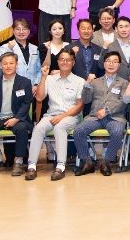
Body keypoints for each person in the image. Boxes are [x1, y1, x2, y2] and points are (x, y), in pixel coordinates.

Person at [25, 49, 84, 181]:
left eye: (68, 60)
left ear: (73, 62)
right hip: (51, 115)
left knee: (59, 127)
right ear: (57, 62)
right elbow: (39, 98)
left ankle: (60, 166)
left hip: (71, 116)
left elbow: (79, 106)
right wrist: (43, 77)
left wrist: (62, 117)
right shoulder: (49, 79)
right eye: (62, 59)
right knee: (38, 128)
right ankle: (31, 166)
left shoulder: (79, 81)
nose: (65, 62)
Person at [73, 51, 128, 176]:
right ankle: (87, 162)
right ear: (104, 64)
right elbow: (86, 100)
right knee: (78, 131)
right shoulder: (95, 81)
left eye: (115, 61)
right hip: (95, 117)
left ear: (119, 65)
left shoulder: (124, 83)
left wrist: (107, 110)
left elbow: (123, 102)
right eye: (108, 61)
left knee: (117, 131)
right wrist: (87, 84)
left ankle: (106, 162)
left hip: (115, 118)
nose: (111, 64)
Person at [0, 18, 41, 91]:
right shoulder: (5, 47)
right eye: (18, 29)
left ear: (28, 32)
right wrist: (9, 49)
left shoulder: (35, 48)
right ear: (13, 31)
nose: (21, 32)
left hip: (32, 88)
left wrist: (36, 84)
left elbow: (39, 69)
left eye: (24, 29)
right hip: (13, 87)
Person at [70, 19, 104, 89]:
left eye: (89, 28)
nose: (86, 31)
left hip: (94, 87)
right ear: (78, 30)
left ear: (92, 30)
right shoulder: (69, 48)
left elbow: (101, 70)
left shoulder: (99, 50)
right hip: (74, 86)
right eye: (83, 28)